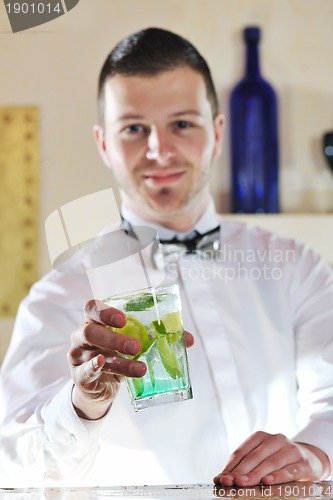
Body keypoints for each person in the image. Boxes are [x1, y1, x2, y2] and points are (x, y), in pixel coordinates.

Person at [0, 27, 332, 488]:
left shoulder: (298, 267)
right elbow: (12, 464)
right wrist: (80, 405)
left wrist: (314, 452)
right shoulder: (57, 297)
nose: (159, 150)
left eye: (182, 124)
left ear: (217, 132)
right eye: (134, 128)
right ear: (103, 143)